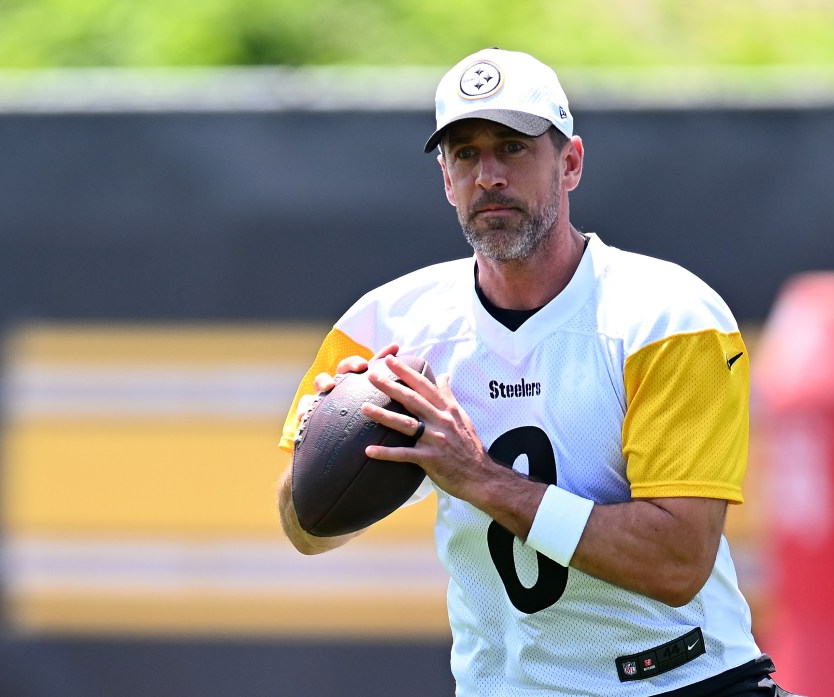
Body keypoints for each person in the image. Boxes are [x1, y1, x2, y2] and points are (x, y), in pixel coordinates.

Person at [276, 48, 798, 697]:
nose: (488, 174)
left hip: (678, 683)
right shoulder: (387, 325)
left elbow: (677, 560)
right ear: (445, 179)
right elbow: (304, 528)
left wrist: (482, 479)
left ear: (570, 162)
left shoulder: (668, 316)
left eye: (512, 148)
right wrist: (334, 438)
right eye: (464, 154)